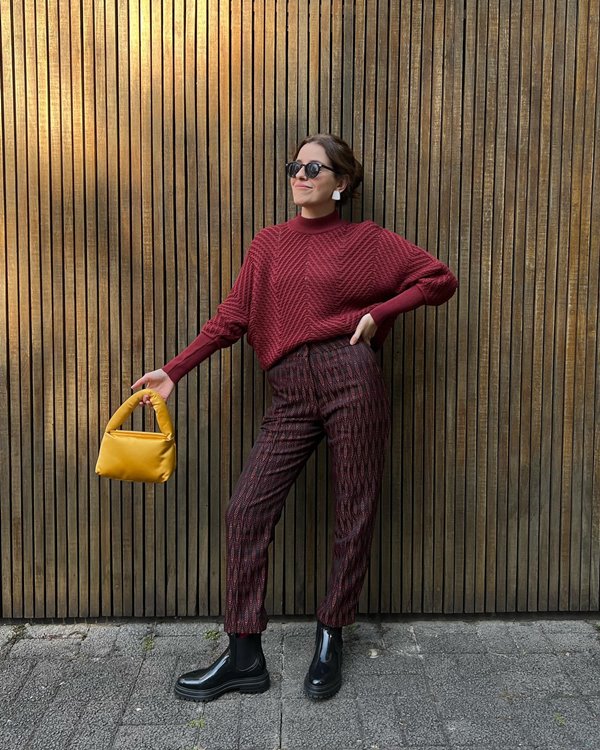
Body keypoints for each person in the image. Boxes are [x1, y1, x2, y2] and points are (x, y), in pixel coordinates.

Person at [131, 133, 458, 702]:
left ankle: (330, 636)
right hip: (287, 391)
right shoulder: (268, 245)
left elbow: (439, 279)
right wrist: (173, 371)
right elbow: (230, 320)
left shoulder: (367, 241)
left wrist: (380, 313)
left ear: (342, 183)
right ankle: (244, 654)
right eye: (295, 166)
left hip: (349, 376)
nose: (301, 175)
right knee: (245, 511)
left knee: (354, 509)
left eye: (315, 167)